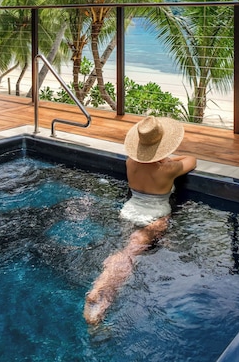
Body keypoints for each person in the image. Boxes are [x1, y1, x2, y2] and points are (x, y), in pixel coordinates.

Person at [83, 116, 196, 325]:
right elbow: (191, 160)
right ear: (161, 147)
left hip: (128, 212)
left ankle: (100, 291)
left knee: (125, 249)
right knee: (128, 256)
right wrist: (170, 159)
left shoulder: (130, 162)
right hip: (154, 220)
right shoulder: (168, 170)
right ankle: (99, 291)